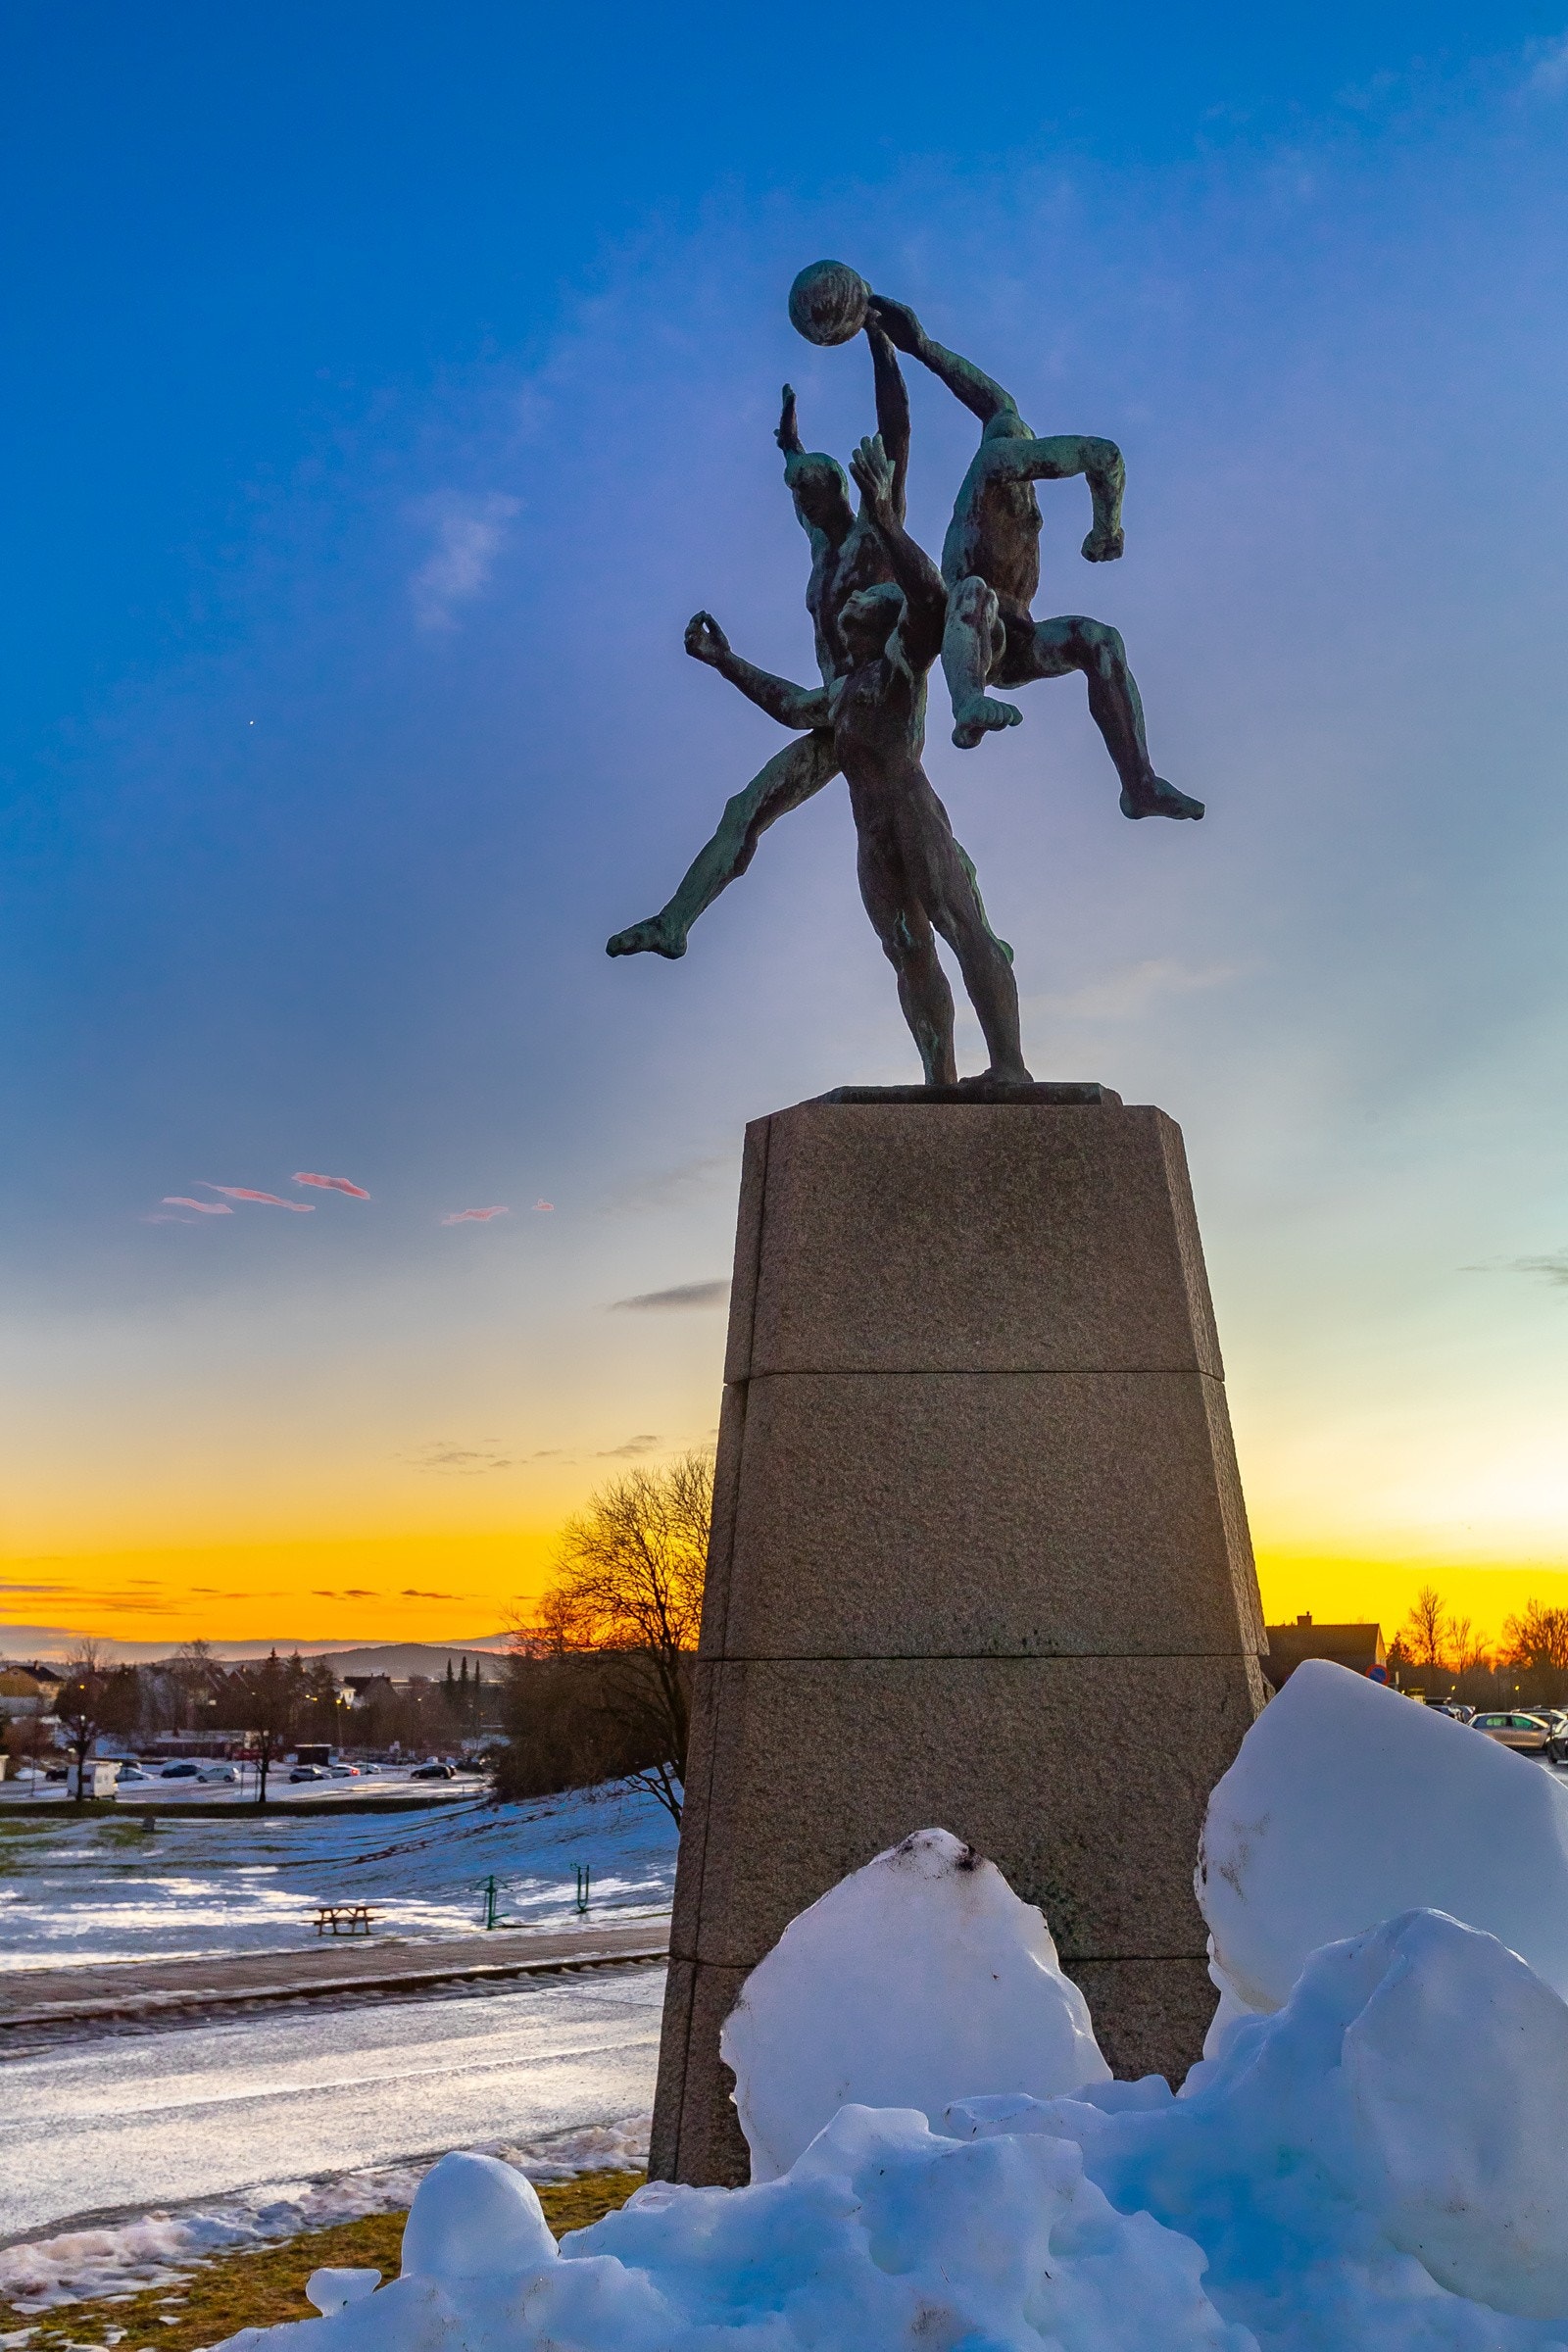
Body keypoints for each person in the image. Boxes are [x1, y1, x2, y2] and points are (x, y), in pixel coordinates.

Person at [675, 433, 1029, 1087]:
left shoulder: (897, 669)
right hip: (871, 836)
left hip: (912, 815)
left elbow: (926, 596)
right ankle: (940, 1079)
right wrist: (725, 662)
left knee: (961, 925)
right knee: (906, 948)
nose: (853, 604)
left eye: (866, 603)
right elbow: (787, 705)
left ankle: (1009, 1065)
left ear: (886, 620)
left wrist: (888, 523)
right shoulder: (841, 694)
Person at [607, 329, 909, 962]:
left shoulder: (875, 538)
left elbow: (897, 436)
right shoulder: (822, 546)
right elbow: (797, 477)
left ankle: (978, 939)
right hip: (830, 712)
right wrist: (790, 444)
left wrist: (881, 349)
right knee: (743, 809)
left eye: (806, 489)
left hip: (875, 703)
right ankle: (673, 923)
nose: (795, 499)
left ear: (836, 492)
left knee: (909, 854)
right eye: (793, 490)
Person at [863, 292, 1202, 821]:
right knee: (973, 591)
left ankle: (1139, 784)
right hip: (975, 635)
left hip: (1021, 638)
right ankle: (967, 703)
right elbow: (1103, 456)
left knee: (1100, 640)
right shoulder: (999, 463)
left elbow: (995, 403)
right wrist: (1105, 526)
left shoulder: (1010, 458)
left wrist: (924, 347)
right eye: (1031, 455)